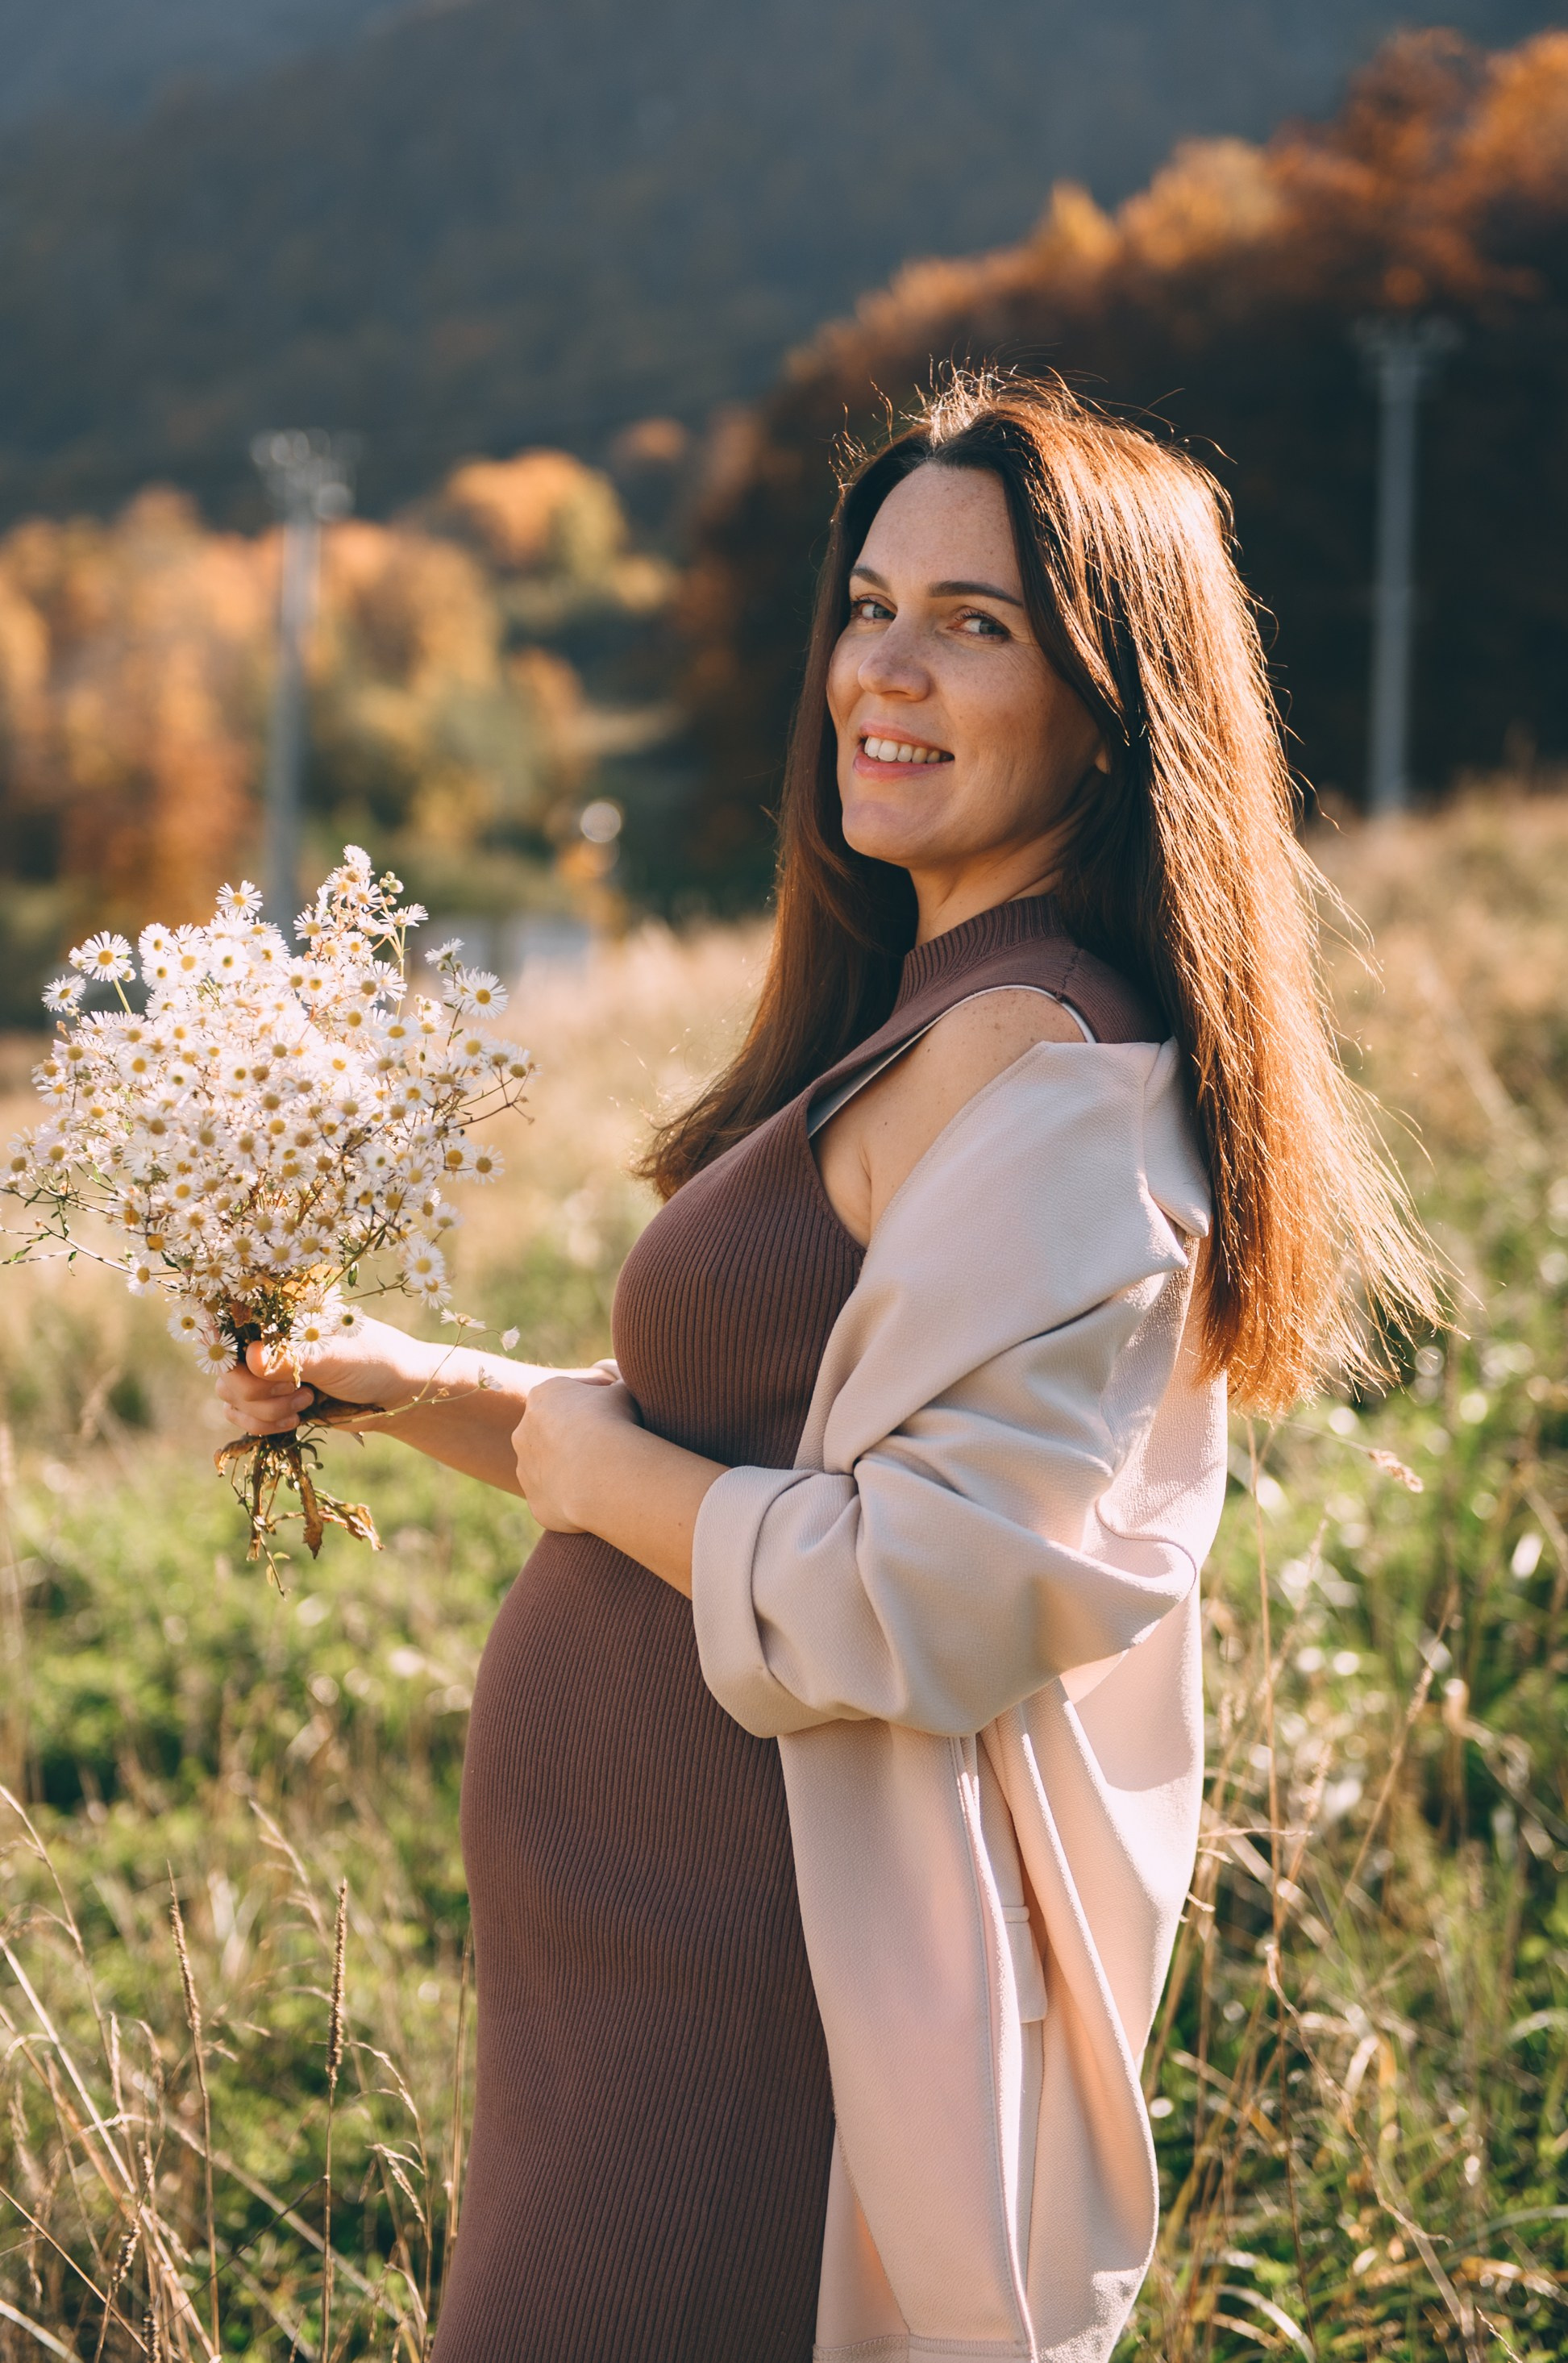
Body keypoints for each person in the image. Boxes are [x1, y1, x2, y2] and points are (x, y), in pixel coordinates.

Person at [219, 372, 1434, 2363]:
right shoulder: (920, 1006)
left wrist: (600, 1471)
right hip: (629, 1986)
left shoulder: (1042, 1063)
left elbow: (937, 1584)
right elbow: (729, 1454)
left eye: (978, 623)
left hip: (756, 2012)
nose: (887, 665)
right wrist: (408, 1375)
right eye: (872, 603)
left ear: (1113, 700)